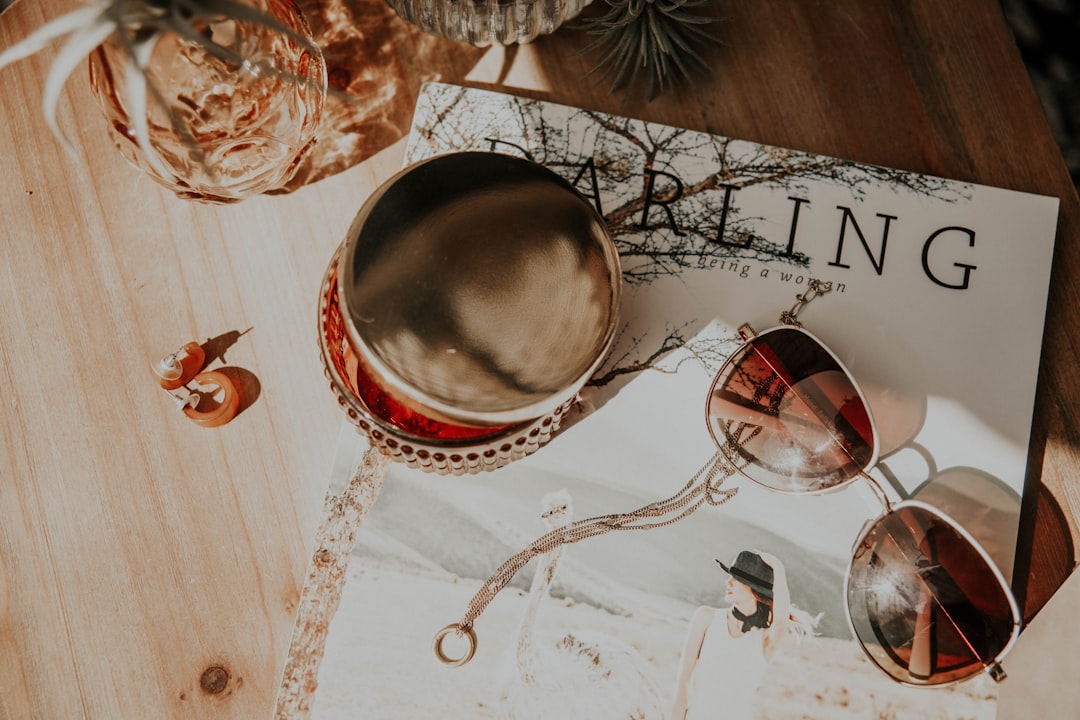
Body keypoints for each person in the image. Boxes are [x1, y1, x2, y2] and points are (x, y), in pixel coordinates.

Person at [670, 550, 814, 720]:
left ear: (755, 589)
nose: (728, 582)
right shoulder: (706, 618)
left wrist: (778, 567)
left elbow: (781, 620)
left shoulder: (764, 639)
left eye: (737, 579)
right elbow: (684, 677)